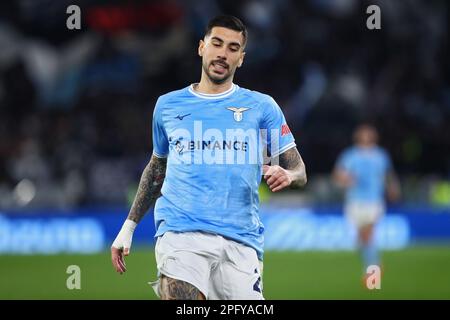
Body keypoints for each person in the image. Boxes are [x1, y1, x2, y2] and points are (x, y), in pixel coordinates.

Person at [111, 15, 307, 300]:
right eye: (217, 43)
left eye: (232, 48)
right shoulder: (167, 106)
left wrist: (290, 175)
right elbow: (157, 168)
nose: (222, 54)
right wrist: (128, 227)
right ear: (202, 47)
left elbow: (299, 169)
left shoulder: (262, 107)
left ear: (241, 58)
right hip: (181, 234)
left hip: (242, 240)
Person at [332, 124, 400, 275]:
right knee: (361, 238)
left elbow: (388, 175)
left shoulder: (380, 155)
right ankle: (373, 264)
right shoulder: (350, 155)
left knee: (368, 234)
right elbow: (338, 175)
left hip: (374, 200)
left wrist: (392, 188)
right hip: (354, 200)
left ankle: (373, 272)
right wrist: (346, 179)